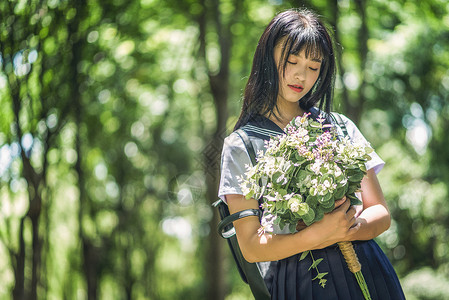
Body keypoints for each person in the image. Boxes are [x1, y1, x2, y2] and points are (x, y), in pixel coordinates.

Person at [218, 8, 405, 299]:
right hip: (302, 282)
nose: (301, 75)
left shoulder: (340, 127)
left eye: (313, 66)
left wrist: (347, 228)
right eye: (291, 61)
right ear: (268, 58)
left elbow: (380, 213)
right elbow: (252, 247)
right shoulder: (242, 144)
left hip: (368, 268)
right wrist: (316, 235)